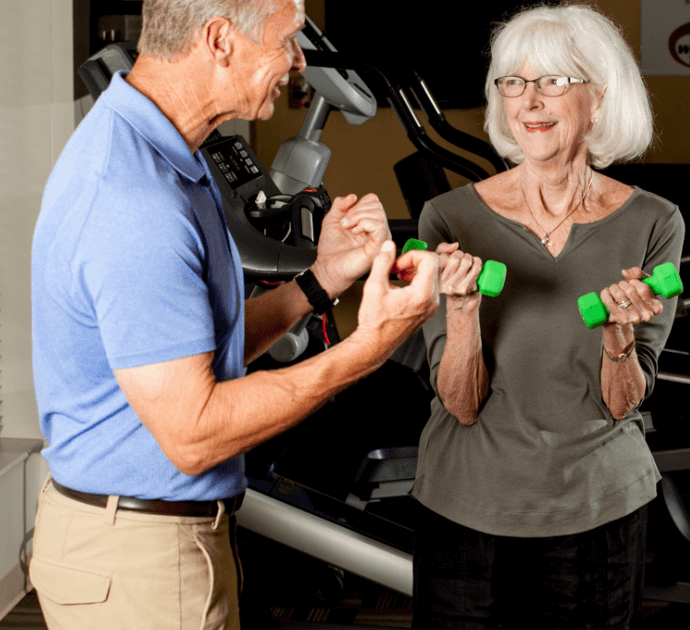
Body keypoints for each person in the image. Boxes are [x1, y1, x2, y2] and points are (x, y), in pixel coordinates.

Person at [28, 1, 439, 628]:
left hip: (157, 536)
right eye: (286, 42)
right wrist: (371, 345)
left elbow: (197, 349)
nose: (299, 61)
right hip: (137, 562)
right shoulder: (135, 201)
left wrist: (320, 280)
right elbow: (194, 433)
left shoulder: (162, 154)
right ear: (220, 40)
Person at [408, 5, 682, 629]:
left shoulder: (654, 222)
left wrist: (618, 336)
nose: (530, 100)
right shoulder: (447, 220)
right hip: (466, 508)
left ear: (598, 99)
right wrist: (464, 309)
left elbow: (623, 402)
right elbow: (460, 403)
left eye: (554, 81)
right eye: (515, 82)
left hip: (599, 510)